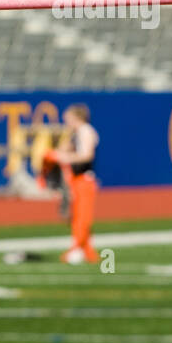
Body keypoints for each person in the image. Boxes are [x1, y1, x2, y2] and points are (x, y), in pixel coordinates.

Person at [51, 103, 99, 264]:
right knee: (76, 216)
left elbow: (87, 156)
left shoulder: (86, 131)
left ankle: (78, 248)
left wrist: (66, 158)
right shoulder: (76, 133)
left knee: (83, 217)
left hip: (84, 179)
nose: (66, 122)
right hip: (76, 179)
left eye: (68, 119)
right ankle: (85, 250)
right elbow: (65, 148)